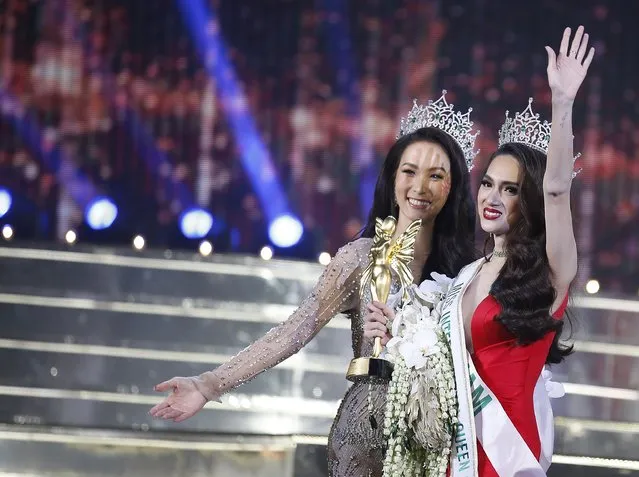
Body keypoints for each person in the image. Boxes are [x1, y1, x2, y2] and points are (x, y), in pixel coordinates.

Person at [149, 91, 479, 477]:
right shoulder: (360, 258)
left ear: (452, 188)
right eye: (409, 171)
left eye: (436, 175)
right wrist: (208, 385)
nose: (420, 186)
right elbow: (295, 330)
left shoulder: (466, 272)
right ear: (392, 179)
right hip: (368, 430)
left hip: (440, 436)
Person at [366, 26, 594, 476]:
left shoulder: (551, 270)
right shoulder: (467, 274)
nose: (492, 197)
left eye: (510, 189)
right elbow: (441, 366)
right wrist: (397, 336)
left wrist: (563, 103)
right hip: (452, 454)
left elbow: (555, 190)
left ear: (527, 200)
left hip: (504, 452)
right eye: (488, 183)